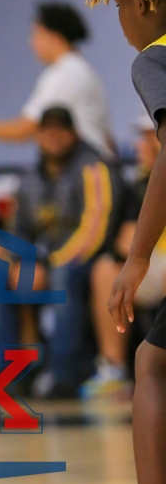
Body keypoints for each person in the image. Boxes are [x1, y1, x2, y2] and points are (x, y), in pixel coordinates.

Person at [84, 0, 166, 484]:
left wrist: (136, 257)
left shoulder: (155, 60)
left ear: (145, 3)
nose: (119, 17)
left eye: (118, 3)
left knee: (152, 365)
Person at [0, 106, 119, 399]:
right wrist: (23, 261)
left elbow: (96, 231)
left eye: (61, 130)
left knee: (62, 278)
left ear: (74, 134)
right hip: (43, 260)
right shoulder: (30, 178)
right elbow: (18, 230)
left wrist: (49, 263)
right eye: (47, 130)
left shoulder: (94, 168)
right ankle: (9, 372)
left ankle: (66, 372)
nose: (54, 137)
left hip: (87, 259)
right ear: (38, 136)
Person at [0, 2, 116, 159]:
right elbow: (108, 140)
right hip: (93, 168)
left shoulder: (64, 75)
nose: (32, 44)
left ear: (54, 36)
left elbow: (27, 128)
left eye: (36, 34)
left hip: (83, 171)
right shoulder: (83, 70)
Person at [82, 115, 163, 401]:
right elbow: (125, 238)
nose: (141, 145)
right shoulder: (139, 185)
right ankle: (113, 369)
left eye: (149, 136)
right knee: (106, 270)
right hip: (151, 265)